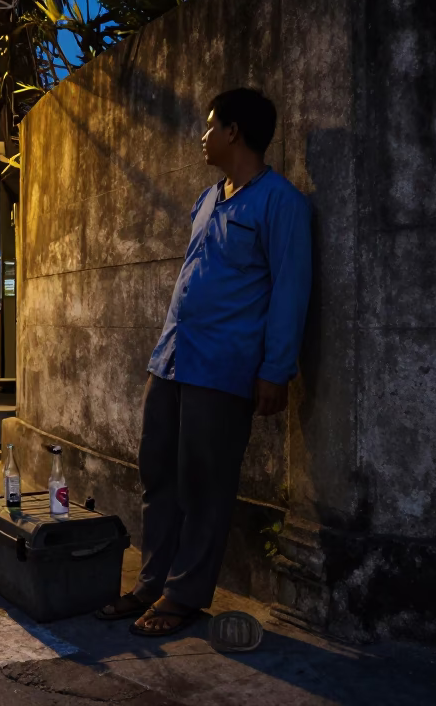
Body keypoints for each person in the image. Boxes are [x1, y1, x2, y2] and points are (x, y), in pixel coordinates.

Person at [97, 88, 312, 637]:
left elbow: (290, 290)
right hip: (171, 360)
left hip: (224, 368)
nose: (203, 134)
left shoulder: (279, 202)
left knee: (205, 485)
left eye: (212, 125)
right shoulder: (208, 198)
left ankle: (185, 595)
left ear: (235, 132)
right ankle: (151, 583)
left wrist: (275, 370)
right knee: (158, 475)